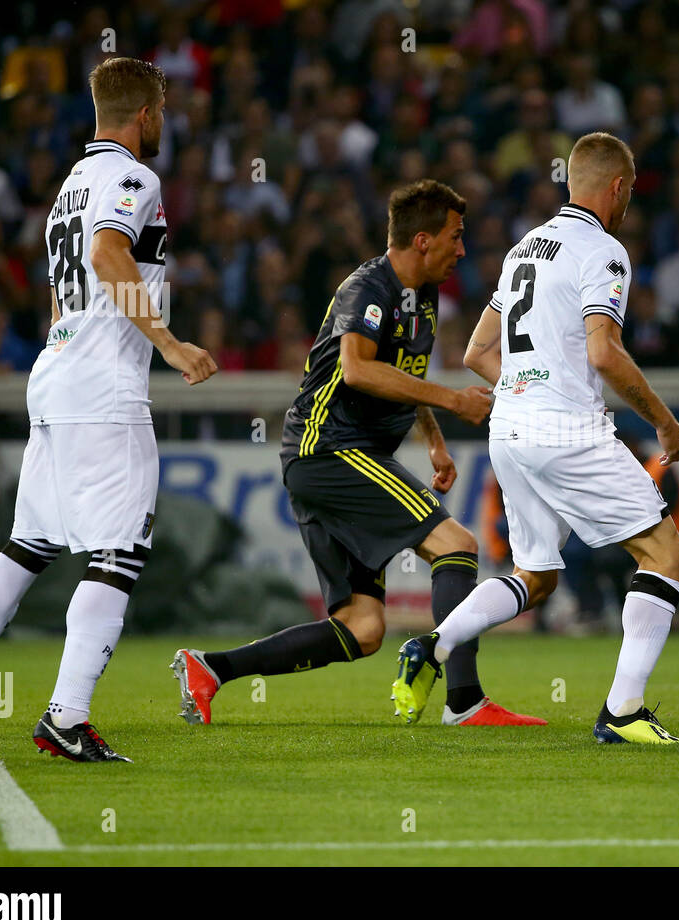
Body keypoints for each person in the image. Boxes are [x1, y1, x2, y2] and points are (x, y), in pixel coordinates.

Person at [0, 57, 218, 761]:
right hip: (102, 388)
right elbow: (109, 256)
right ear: (145, 114)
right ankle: (66, 718)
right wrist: (168, 341)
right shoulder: (134, 178)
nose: (164, 122)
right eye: (162, 110)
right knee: (121, 552)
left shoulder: (71, 186)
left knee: (28, 547)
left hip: (58, 374)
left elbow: (63, 289)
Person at [171, 180, 544, 728]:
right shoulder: (367, 288)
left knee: (362, 628)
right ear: (422, 239)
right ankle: (464, 701)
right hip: (327, 450)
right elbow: (358, 369)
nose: (462, 250)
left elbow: (404, 376)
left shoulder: (427, 293)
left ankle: (210, 669)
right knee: (456, 546)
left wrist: (435, 441)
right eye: (455, 237)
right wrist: (454, 400)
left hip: (332, 460)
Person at [389, 132, 679, 744]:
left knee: (536, 573)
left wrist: (532, 387)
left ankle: (433, 641)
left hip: (512, 429)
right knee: (668, 554)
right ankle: (624, 711)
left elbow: (477, 352)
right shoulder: (603, 251)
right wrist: (663, 420)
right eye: (629, 189)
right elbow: (605, 353)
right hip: (566, 431)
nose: (629, 200)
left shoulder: (525, 248)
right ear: (615, 188)